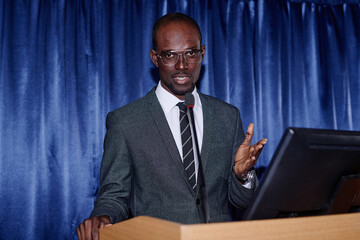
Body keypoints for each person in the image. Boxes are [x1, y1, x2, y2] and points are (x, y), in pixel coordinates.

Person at [77, 12, 267, 240]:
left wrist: (242, 176)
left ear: (203, 52)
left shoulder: (227, 116)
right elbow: (114, 196)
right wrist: (103, 216)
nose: (182, 65)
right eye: (170, 55)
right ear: (155, 58)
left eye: (190, 53)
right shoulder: (125, 122)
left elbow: (241, 202)